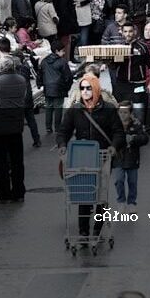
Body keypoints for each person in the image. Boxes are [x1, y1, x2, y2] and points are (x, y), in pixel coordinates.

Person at [56, 74, 125, 239]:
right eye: (82, 88)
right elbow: (63, 131)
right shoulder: (75, 110)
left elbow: (118, 132)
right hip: (83, 157)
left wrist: (113, 147)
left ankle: (98, 228)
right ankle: (84, 230)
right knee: (85, 192)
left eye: (88, 88)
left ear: (95, 89)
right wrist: (63, 146)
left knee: (101, 194)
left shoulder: (108, 109)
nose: (85, 91)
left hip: (103, 157)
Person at [0, 55, 31, 204]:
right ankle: (19, 191)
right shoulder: (22, 80)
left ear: (1, 67)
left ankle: (4, 193)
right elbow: (24, 99)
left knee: (0, 162)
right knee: (17, 161)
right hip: (16, 126)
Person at [113, 101, 149, 207]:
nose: (122, 115)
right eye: (120, 112)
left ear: (130, 113)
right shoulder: (114, 125)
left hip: (132, 158)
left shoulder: (136, 124)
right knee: (119, 180)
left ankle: (132, 202)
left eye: (125, 112)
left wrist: (134, 139)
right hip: (118, 158)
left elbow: (145, 138)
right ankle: (121, 201)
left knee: (132, 182)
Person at [40, 39, 73, 134]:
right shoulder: (62, 62)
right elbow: (68, 77)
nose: (64, 53)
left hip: (47, 88)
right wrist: (67, 87)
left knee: (49, 107)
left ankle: (48, 127)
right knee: (58, 108)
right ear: (57, 51)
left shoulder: (44, 61)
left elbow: (40, 73)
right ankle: (57, 127)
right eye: (62, 51)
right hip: (59, 88)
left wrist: (41, 84)